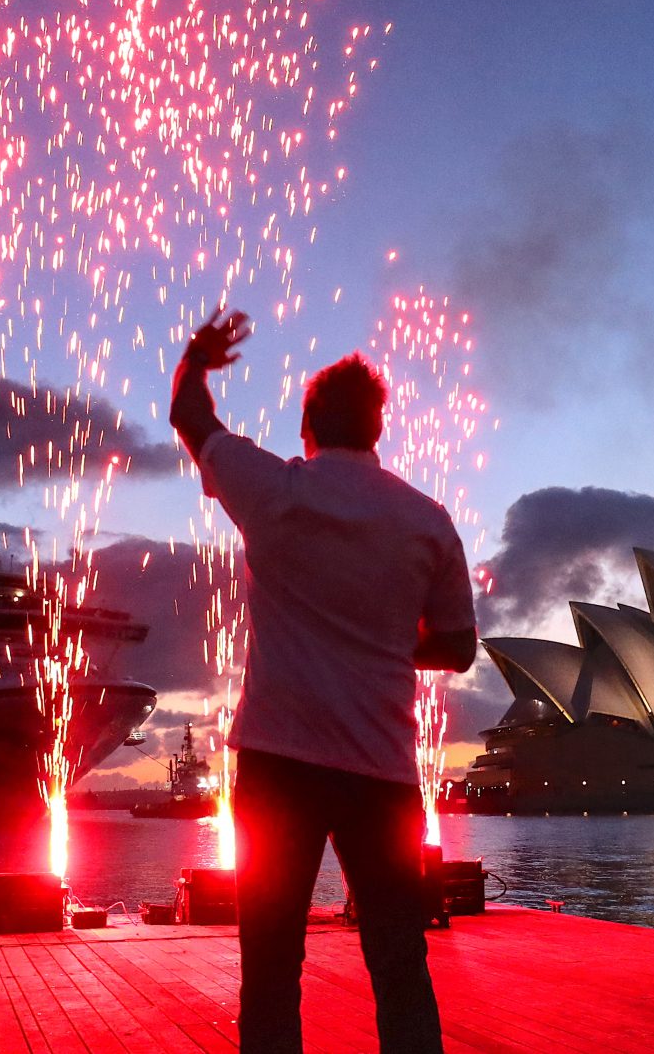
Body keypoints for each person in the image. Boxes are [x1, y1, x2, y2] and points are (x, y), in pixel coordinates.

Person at [169, 309, 477, 1054]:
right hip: (381, 770)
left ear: (307, 423)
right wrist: (385, 645)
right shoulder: (426, 519)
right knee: (400, 963)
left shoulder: (274, 491)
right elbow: (462, 646)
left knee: (271, 967)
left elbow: (189, 414)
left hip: (279, 763)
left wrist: (199, 356)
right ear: (379, 427)